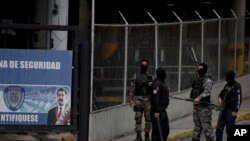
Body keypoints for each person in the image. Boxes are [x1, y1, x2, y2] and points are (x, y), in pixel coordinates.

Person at [129, 59, 153, 141]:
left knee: (148, 118)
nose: (144, 66)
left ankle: (147, 134)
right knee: (138, 117)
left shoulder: (150, 76)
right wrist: (130, 99)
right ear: (140, 65)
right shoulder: (136, 75)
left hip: (147, 99)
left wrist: (150, 84)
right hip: (138, 99)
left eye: (145, 64)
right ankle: (138, 135)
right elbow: (132, 88)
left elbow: (152, 89)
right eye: (142, 64)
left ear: (147, 66)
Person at [190, 63, 214, 141]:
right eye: (198, 68)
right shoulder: (198, 79)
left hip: (204, 107)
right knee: (197, 127)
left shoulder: (207, 80)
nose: (198, 70)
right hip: (196, 106)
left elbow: (207, 92)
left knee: (206, 128)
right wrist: (194, 98)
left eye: (200, 69)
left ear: (204, 69)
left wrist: (199, 98)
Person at [215, 71, 242, 141]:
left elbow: (238, 99)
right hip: (223, 108)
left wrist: (236, 110)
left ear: (230, 77)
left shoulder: (237, 86)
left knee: (229, 130)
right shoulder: (227, 85)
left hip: (231, 110)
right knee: (219, 128)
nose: (225, 78)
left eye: (226, 76)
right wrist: (219, 98)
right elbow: (221, 93)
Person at [150, 68, 170, 141]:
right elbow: (156, 98)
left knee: (165, 130)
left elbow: (161, 94)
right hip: (158, 111)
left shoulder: (161, 83)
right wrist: (157, 111)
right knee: (158, 132)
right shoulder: (157, 83)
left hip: (162, 110)